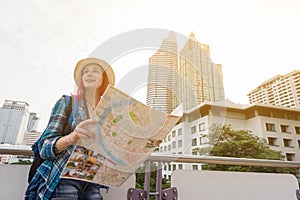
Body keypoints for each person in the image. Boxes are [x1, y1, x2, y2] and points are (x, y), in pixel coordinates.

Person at [25, 58, 115, 200]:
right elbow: (44, 147)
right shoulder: (67, 103)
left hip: (92, 181)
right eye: (86, 72)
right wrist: (72, 137)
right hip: (62, 178)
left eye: (95, 71)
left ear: (103, 80)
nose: (89, 74)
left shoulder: (107, 114)